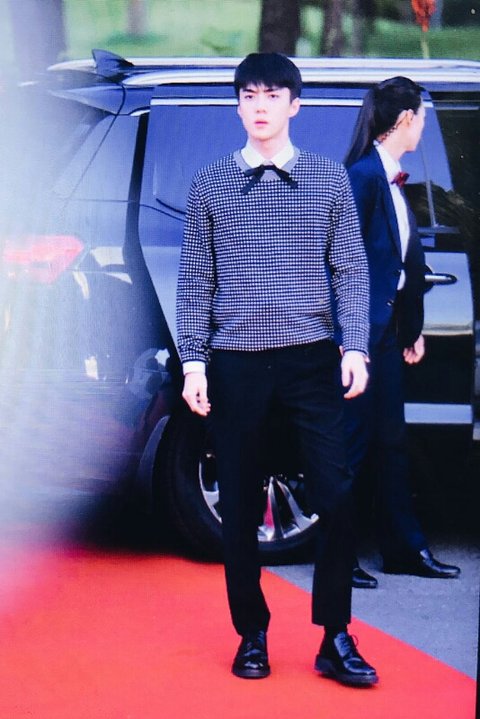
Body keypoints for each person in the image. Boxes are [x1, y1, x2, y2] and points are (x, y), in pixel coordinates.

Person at [176, 52, 378, 687]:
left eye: (272, 95)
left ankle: (335, 635)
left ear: (295, 105)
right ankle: (252, 633)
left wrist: (354, 347)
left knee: (336, 494)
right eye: (249, 95)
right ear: (238, 106)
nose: (259, 106)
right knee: (240, 505)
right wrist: (194, 363)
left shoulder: (327, 178)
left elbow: (350, 269)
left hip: (311, 361)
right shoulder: (211, 183)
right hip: (236, 365)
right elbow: (195, 282)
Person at [344, 76, 460, 589]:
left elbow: (401, 263)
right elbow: (339, 263)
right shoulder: (363, 177)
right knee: (351, 445)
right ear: (406, 118)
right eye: (423, 117)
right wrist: (351, 341)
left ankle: (403, 550)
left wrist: (410, 328)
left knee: (391, 442)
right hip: (359, 337)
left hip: (387, 333)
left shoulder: (390, 178)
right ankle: (338, 556)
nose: (424, 127)